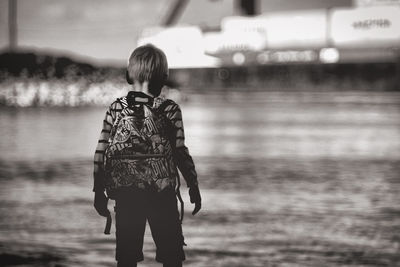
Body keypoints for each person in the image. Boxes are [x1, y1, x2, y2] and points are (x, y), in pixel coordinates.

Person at [92, 44, 202, 267]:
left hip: (126, 193)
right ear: (164, 78)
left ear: (128, 75)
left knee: (127, 257)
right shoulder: (170, 109)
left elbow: (101, 151)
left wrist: (98, 191)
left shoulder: (116, 108)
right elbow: (180, 151)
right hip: (162, 194)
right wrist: (193, 184)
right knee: (172, 257)